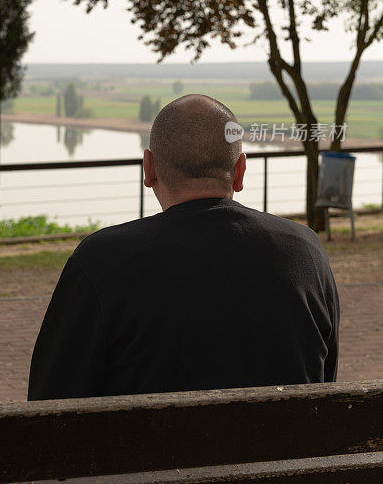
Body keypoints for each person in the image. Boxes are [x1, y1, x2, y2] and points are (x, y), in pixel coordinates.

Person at [27, 94, 339, 401]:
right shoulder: (305, 253)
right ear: (240, 171)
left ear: (148, 169)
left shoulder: (99, 261)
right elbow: (325, 379)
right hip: (288, 452)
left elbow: (50, 402)